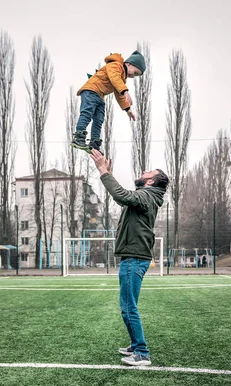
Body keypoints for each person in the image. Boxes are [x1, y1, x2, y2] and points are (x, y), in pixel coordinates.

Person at [89, 149, 169, 366]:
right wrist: (110, 174)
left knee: (128, 306)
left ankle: (142, 353)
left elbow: (122, 196)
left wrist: (104, 172)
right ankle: (135, 345)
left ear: (150, 181)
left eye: (147, 172)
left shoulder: (146, 196)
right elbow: (124, 199)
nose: (143, 172)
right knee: (127, 304)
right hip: (133, 257)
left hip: (135, 258)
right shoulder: (146, 198)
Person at [71, 51, 146, 153]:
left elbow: (119, 94)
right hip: (91, 91)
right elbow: (114, 78)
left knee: (99, 120)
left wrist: (128, 109)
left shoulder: (122, 79)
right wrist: (125, 91)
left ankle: (94, 143)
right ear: (129, 64)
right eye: (135, 73)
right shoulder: (115, 65)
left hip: (99, 96)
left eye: (136, 75)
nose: (133, 76)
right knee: (87, 113)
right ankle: (79, 136)